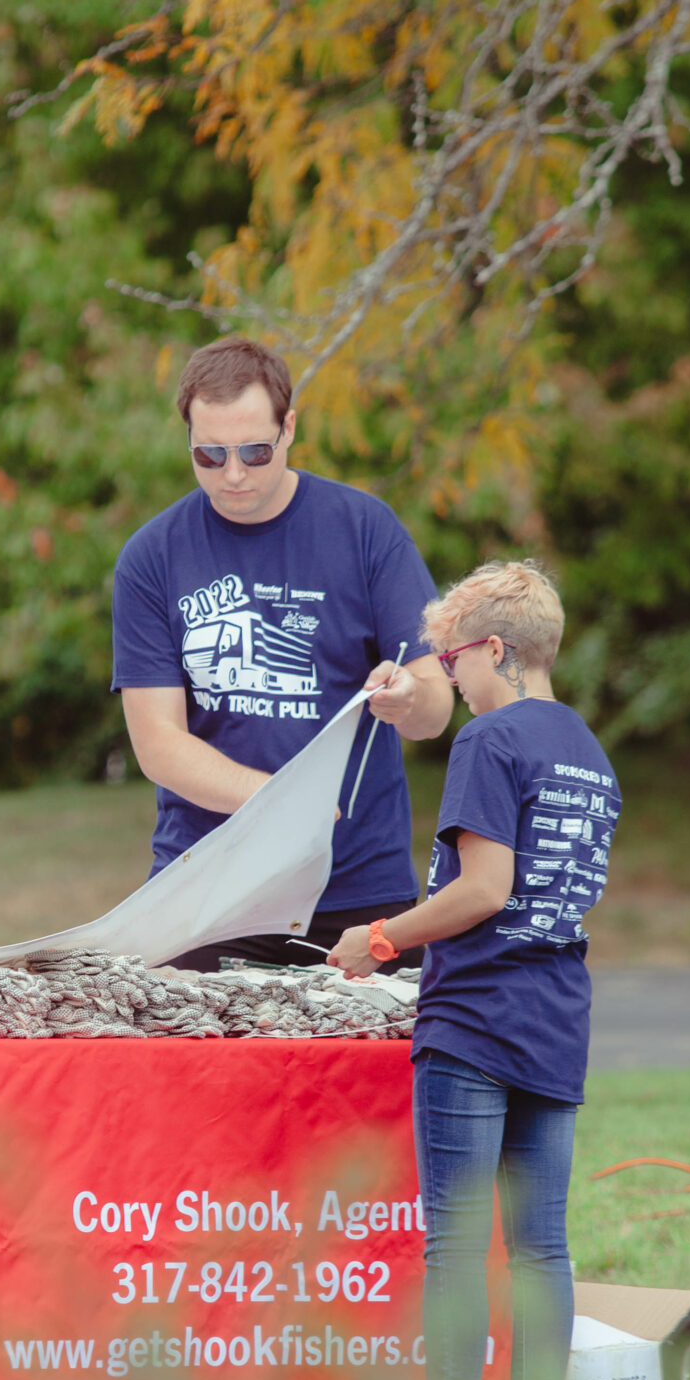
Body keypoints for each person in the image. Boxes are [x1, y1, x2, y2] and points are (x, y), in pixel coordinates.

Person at [329, 560, 619, 1380]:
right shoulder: (588, 748)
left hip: (475, 1015)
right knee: (542, 1252)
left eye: (451, 659)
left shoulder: (489, 743)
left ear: (495, 649)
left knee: (454, 1248)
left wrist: (380, 938)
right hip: (557, 1013)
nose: (445, 678)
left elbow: (483, 890)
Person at [111, 337, 455, 971]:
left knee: (365, 1071)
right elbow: (158, 743)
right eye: (209, 455)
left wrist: (407, 699)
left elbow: (435, 709)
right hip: (206, 890)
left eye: (255, 451)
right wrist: (280, 802)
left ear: (289, 427)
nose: (234, 474)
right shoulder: (152, 556)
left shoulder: (366, 530)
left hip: (356, 891)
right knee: (195, 1070)